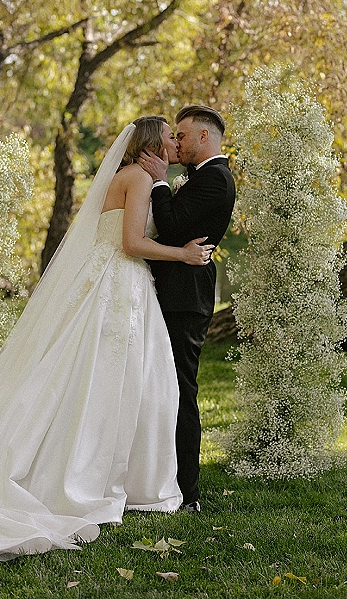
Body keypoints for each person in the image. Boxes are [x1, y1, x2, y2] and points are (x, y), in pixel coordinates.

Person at [0, 117, 212, 563]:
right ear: (151, 146)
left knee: (110, 378)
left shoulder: (131, 175)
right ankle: (91, 475)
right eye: (168, 139)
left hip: (107, 282)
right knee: (115, 381)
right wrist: (183, 253)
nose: (175, 144)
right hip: (119, 284)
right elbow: (131, 243)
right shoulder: (138, 178)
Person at [139, 105, 236, 513]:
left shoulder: (216, 178)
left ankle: (188, 492)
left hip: (186, 296)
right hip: (172, 289)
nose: (176, 142)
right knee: (162, 387)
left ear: (203, 137)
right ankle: (155, 476)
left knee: (181, 390)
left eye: (181, 135)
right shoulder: (199, 176)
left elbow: (174, 226)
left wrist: (160, 184)